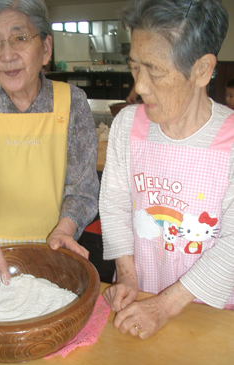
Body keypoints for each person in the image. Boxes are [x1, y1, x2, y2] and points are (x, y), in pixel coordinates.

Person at [0, 0, 99, 292]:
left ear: (46, 48)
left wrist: (65, 229)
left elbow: (83, 189)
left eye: (20, 38)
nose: (6, 55)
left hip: (49, 253)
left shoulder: (72, 102)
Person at [99, 0, 234, 339]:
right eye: (134, 68)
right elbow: (115, 205)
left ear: (202, 70)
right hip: (138, 298)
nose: (140, 86)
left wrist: (163, 306)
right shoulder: (128, 125)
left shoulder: (229, 140)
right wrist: (127, 278)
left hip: (207, 309)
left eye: (154, 71)